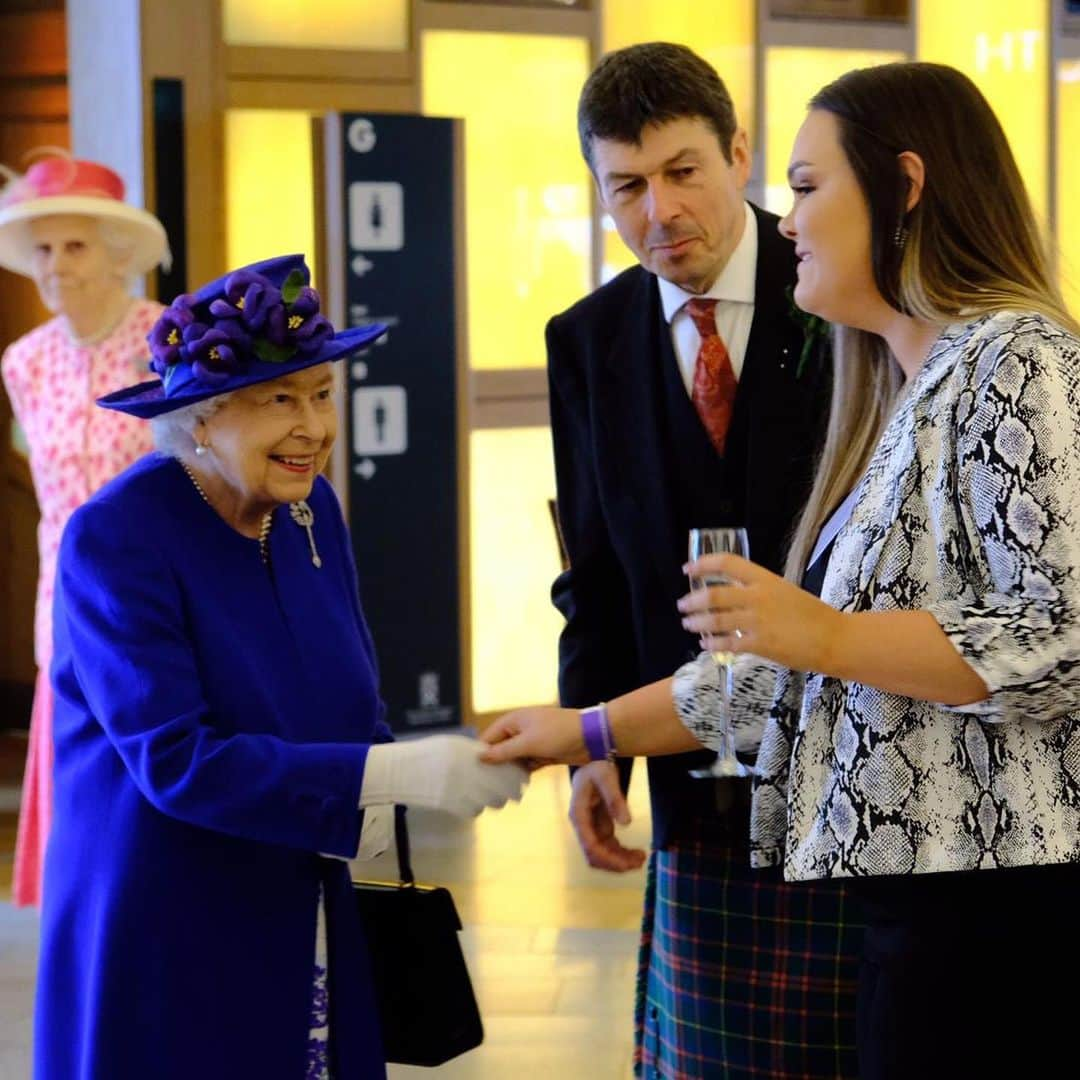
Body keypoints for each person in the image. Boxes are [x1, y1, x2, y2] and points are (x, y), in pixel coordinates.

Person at [484, 61, 1080, 1079]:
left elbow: (1057, 638)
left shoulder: (1012, 355)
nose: (788, 221)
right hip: (903, 901)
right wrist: (585, 730)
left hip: (993, 913)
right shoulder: (902, 375)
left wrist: (825, 634)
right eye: (627, 186)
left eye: (807, 189)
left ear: (905, 185)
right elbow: (782, 663)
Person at [34, 253, 527, 1080]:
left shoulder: (308, 509)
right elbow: (175, 761)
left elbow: (347, 690)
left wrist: (426, 763)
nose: (314, 426)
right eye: (280, 401)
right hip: (165, 909)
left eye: (323, 394)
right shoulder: (116, 537)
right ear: (201, 416)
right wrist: (394, 772)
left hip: (298, 886)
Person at [545, 41, 858, 1077]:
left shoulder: (842, 293)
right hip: (694, 784)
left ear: (738, 152)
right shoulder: (587, 339)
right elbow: (591, 568)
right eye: (626, 186)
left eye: (683, 171)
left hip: (849, 767)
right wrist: (599, 744)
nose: (659, 211)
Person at [0, 153, 171, 907]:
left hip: (154, 603)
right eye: (43, 248)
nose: (56, 265)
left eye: (75, 245)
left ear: (117, 252)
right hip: (59, 608)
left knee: (151, 812)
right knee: (80, 839)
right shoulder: (23, 362)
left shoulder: (166, 343)